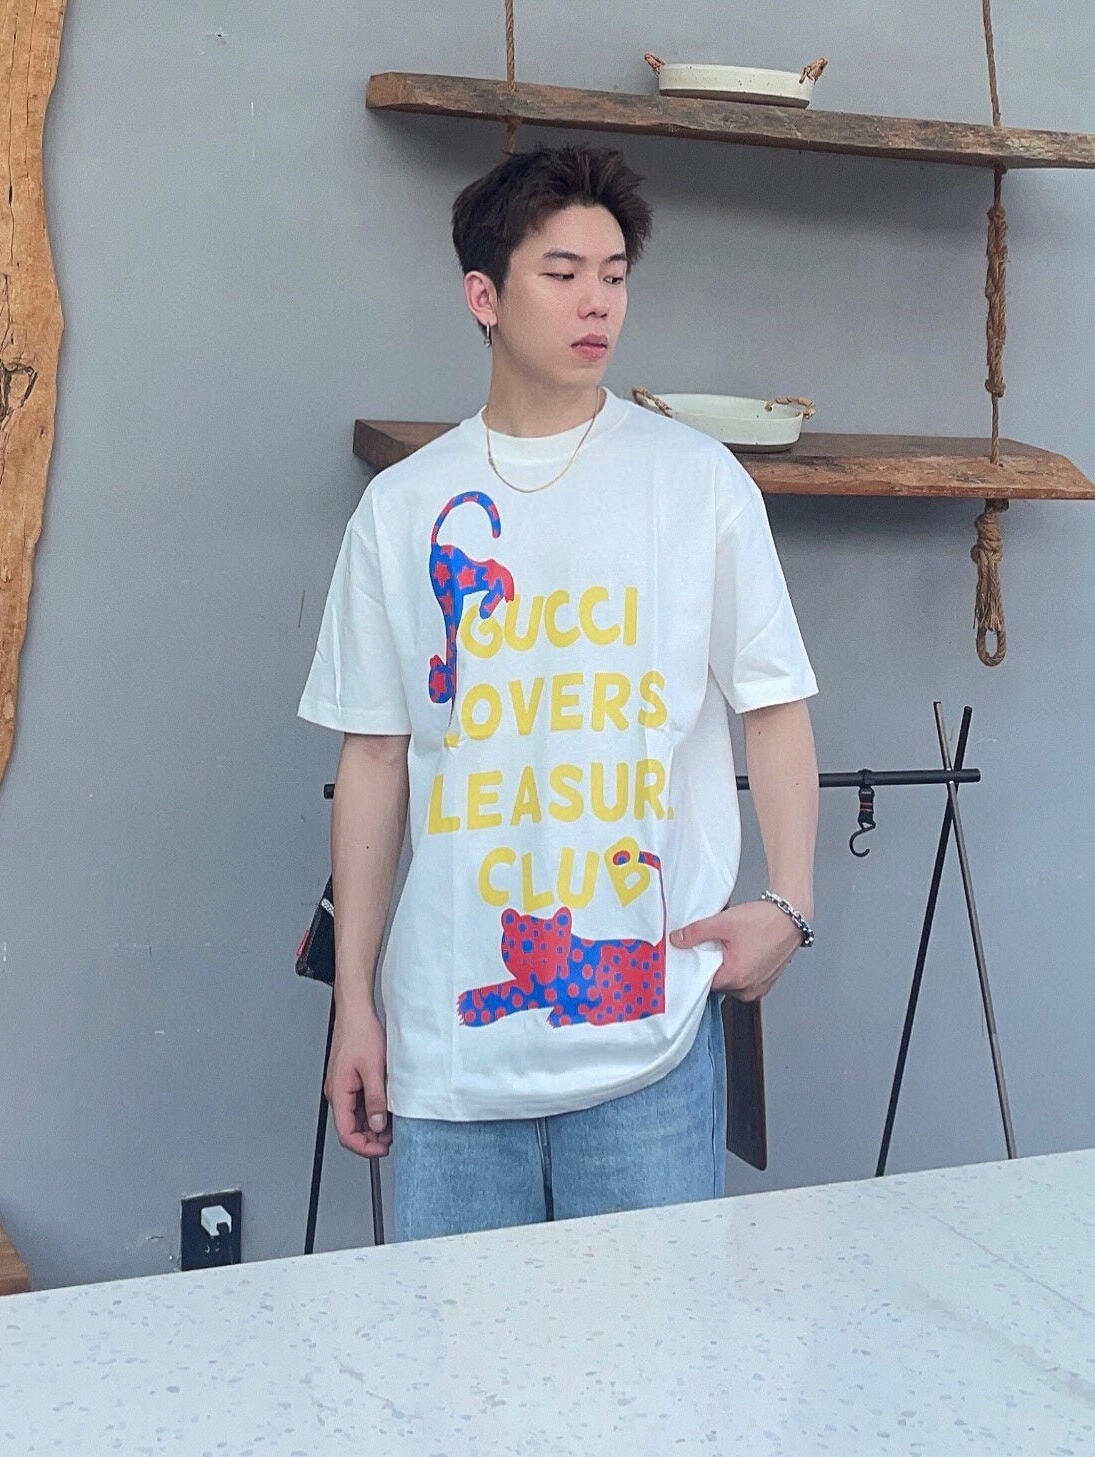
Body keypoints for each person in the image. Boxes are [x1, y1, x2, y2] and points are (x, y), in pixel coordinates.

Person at [297, 142, 820, 1242]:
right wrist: (355, 1003)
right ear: (483, 296)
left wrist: (791, 903)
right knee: (459, 1351)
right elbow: (374, 757)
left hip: (647, 1048)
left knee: (656, 1349)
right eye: (563, 271)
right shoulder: (403, 509)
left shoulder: (694, 483)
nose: (598, 302)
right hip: (449, 1056)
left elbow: (773, 703)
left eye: (615, 274)